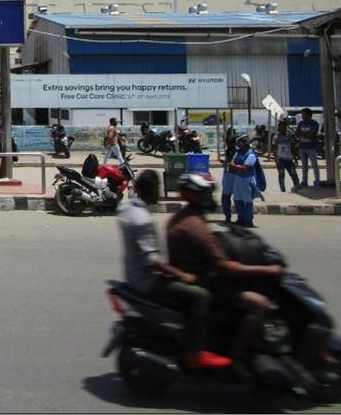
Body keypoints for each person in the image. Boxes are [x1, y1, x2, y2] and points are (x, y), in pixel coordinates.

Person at [116, 170, 231, 369]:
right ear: (151, 191)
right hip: (148, 280)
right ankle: (193, 353)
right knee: (201, 296)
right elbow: (153, 260)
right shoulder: (143, 219)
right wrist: (183, 275)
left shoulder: (127, 209)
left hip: (134, 273)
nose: (159, 194)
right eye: (157, 190)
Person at [167, 173, 283, 363]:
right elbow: (224, 266)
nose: (209, 197)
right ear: (193, 195)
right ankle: (237, 358)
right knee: (259, 303)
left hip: (201, 277)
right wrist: (268, 270)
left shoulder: (187, 217)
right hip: (203, 282)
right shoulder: (193, 225)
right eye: (205, 193)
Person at [227, 136, 262, 228]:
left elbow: (245, 168)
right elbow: (232, 162)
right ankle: (240, 219)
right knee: (237, 199)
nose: (239, 145)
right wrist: (237, 166)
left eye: (241, 143)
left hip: (248, 179)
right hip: (238, 178)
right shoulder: (238, 153)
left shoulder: (251, 155)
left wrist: (235, 166)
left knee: (247, 200)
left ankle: (248, 220)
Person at [273, 120, 301, 193]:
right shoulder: (276, 137)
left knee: (293, 174)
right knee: (281, 174)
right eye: (281, 127)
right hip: (280, 159)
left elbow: (292, 147)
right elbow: (274, 149)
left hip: (289, 159)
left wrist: (295, 158)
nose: (283, 129)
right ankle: (283, 190)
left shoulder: (289, 136)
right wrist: (276, 160)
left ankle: (297, 187)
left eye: (284, 127)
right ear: (278, 128)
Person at [295, 108, 320, 188]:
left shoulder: (314, 123)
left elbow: (311, 134)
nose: (302, 116)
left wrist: (301, 134)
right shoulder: (301, 123)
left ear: (308, 115)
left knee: (314, 165)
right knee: (304, 165)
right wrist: (305, 134)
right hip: (302, 146)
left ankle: (317, 181)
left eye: (303, 114)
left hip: (311, 147)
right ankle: (304, 181)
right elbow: (296, 133)